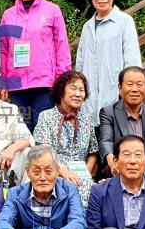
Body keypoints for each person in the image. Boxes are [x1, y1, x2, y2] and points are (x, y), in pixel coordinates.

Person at [0, 0, 71, 130]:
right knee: (19, 134)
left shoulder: (53, 11)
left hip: (45, 85)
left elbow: (62, 47)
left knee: (43, 133)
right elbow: (3, 49)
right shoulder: (9, 14)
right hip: (17, 86)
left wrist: (61, 82)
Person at [74, 0, 142, 116]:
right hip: (89, 101)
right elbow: (80, 62)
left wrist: (129, 90)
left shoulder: (124, 21)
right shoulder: (88, 26)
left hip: (116, 97)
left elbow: (133, 61)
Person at [97, 66, 145, 185]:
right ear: (120, 88)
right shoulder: (108, 112)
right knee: (109, 170)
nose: (134, 89)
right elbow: (105, 141)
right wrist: (111, 160)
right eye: (129, 84)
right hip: (121, 164)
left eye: (139, 85)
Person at [32, 70, 98, 206]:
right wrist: (63, 172)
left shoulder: (86, 120)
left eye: (82, 90)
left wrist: (87, 172)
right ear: (61, 91)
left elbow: (93, 152)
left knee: (94, 193)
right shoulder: (46, 116)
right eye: (73, 88)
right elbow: (43, 151)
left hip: (81, 172)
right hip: (54, 171)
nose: (78, 94)